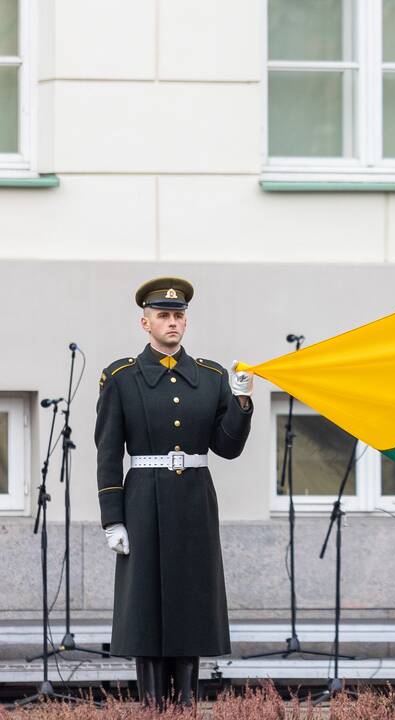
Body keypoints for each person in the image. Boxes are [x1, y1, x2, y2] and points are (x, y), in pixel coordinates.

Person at [95, 277, 254, 708]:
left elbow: (227, 447)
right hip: (143, 500)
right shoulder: (122, 377)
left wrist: (241, 404)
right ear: (144, 322)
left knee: (190, 603)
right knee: (145, 606)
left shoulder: (210, 376)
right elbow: (108, 453)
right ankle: (151, 706)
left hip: (194, 503)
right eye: (163, 315)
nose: (172, 322)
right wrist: (113, 518)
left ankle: (185, 705)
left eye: (178, 315)